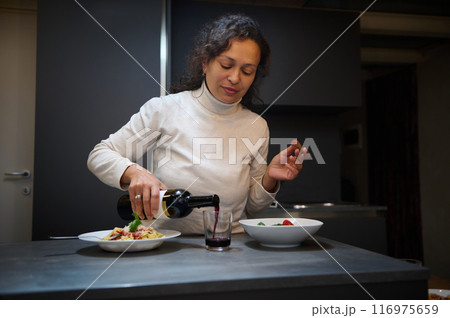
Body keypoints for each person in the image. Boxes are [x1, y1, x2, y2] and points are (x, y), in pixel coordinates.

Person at [87, 13, 307, 234]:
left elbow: (253, 208)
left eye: (247, 71)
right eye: (226, 65)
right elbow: (100, 155)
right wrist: (135, 173)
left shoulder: (257, 126)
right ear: (205, 62)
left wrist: (270, 178)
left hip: (231, 246)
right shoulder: (163, 110)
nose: (235, 78)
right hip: (165, 244)